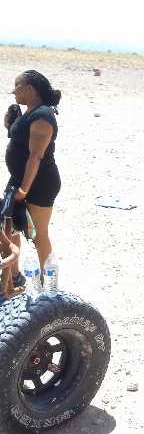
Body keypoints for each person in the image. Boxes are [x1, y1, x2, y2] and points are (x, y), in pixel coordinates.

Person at [5, 70, 61, 286]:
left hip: (40, 183)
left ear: (29, 88)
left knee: (39, 235)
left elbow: (36, 155)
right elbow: (20, 141)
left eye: (17, 87)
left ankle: (49, 284)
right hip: (19, 179)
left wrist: (24, 190)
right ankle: (14, 277)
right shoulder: (30, 111)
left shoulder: (43, 116)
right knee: (8, 227)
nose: (13, 91)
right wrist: (11, 125)